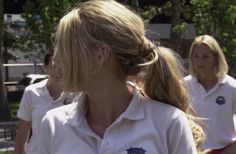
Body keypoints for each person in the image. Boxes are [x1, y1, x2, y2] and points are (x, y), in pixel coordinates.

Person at [37, 1, 204, 154]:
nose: (55, 58)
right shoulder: (53, 125)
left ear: (100, 55)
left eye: (65, 46)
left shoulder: (169, 123)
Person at [184, 34, 236, 154]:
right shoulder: (183, 85)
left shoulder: (232, 87)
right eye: (196, 56)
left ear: (215, 58)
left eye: (205, 56)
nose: (199, 61)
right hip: (191, 150)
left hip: (225, 150)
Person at [15, 52, 73, 154]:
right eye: (54, 66)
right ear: (45, 67)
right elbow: (22, 133)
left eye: (63, 66)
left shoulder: (76, 93)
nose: (58, 71)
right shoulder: (31, 92)